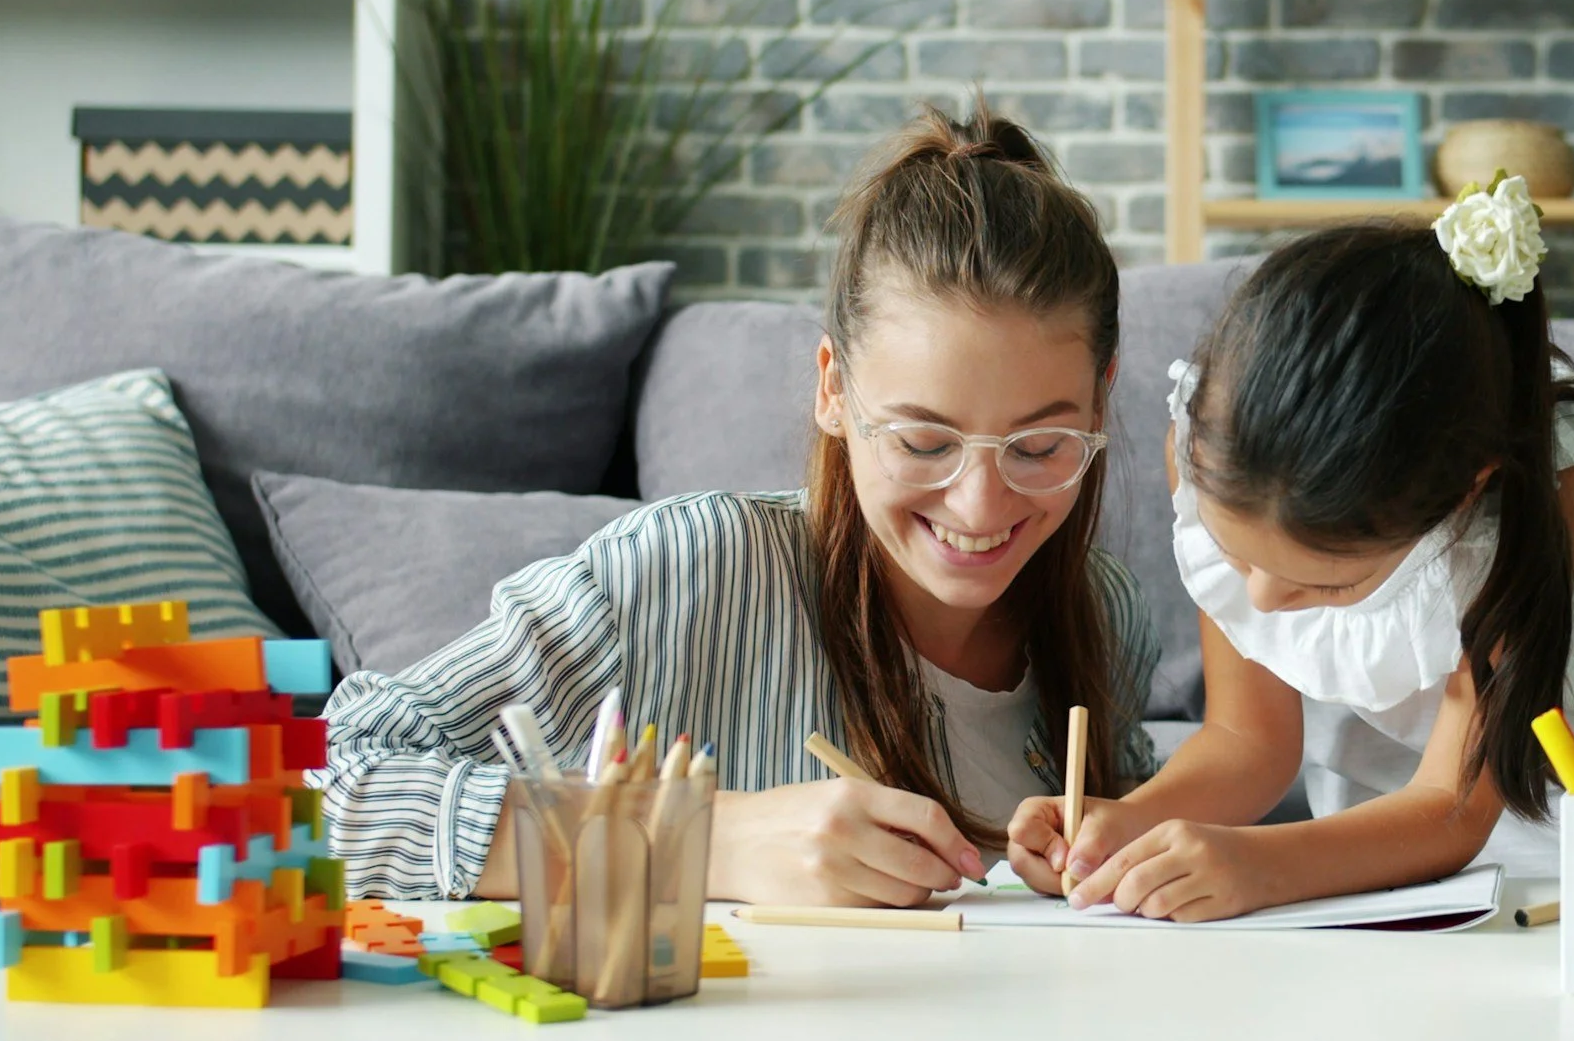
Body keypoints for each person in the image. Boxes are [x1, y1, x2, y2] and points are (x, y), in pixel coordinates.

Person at [319, 106, 1158, 906]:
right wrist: (704, 841)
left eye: (1039, 448)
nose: (980, 505)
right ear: (833, 388)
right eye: (923, 443)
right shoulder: (690, 570)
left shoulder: (1105, 611)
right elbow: (326, 783)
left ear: (1098, 403)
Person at [1008, 178, 1574, 922]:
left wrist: (1258, 863)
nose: (1260, 600)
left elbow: (1453, 807)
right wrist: (1129, 824)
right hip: (1380, 821)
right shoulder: (1211, 452)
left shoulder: (1546, 492)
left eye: (1324, 586)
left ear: (1456, 502)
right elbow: (1246, 741)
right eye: (1237, 558)